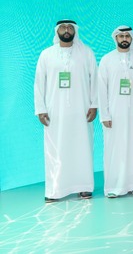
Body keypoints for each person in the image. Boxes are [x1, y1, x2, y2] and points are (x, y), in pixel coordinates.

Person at [34, 20, 98, 202]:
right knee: (55, 149)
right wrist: (40, 109)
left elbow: (95, 79)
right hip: (55, 112)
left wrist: (94, 105)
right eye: (63, 28)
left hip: (81, 110)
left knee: (82, 148)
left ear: (75, 31)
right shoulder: (46, 54)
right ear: (57, 31)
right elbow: (39, 83)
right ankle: (55, 189)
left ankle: (84, 187)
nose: (67, 30)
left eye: (70, 28)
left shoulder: (86, 53)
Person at [98, 26, 133, 198]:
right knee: (115, 148)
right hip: (114, 113)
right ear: (116, 38)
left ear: (131, 38)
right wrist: (104, 114)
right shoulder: (107, 59)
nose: (124, 38)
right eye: (121, 36)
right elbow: (101, 89)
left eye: (127, 35)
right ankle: (114, 186)